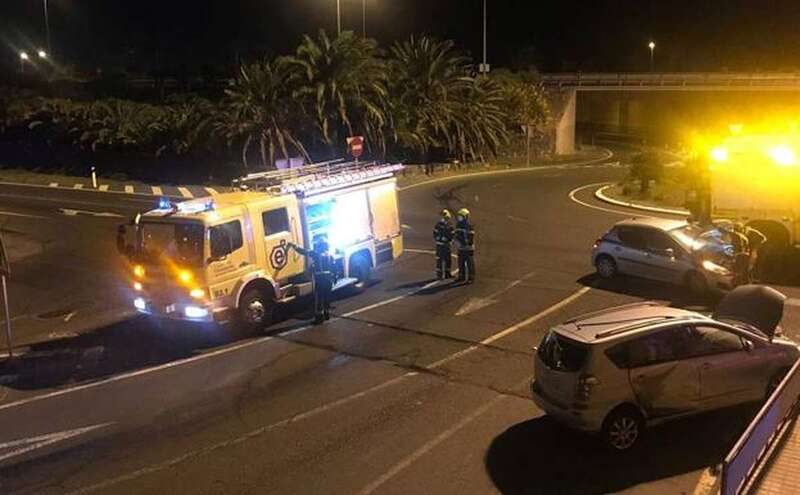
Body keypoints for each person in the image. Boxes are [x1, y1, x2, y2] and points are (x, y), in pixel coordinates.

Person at [288, 236, 335, 324]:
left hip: (320, 279)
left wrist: (293, 246)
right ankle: (327, 314)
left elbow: (303, 251)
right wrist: (334, 278)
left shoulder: (316, 254)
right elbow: (334, 268)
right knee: (327, 297)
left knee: (319, 298)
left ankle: (319, 318)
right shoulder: (329, 255)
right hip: (328, 279)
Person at [454, 208, 476, 283]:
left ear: (465, 217)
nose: (459, 217)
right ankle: (461, 276)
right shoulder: (458, 225)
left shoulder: (469, 226)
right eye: (459, 216)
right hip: (461, 248)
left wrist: (466, 243)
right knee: (460, 262)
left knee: (470, 263)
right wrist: (457, 241)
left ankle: (471, 277)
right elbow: (456, 234)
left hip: (468, 248)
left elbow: (471, 237)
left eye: (461, 216)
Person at [433, 209, 454, 279]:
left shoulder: (447, 225)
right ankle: (441, 275)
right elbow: (435, 234)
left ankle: (445, 274)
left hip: (444, 245)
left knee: (446, 260)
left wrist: (447, 240)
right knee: (441, 260)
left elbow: (452, 235)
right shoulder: (440, 225)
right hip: (442, 245)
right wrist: (439, 239)